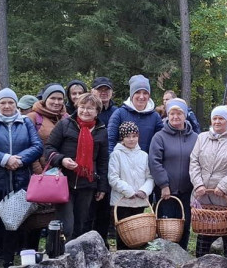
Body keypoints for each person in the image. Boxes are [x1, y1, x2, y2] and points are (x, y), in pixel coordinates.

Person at [0, 89, 43, 268]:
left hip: (19, 181)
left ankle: (7, 262)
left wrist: (20, 159)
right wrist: (5, 159)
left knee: (14, 224)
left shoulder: (25, 122)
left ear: (16, 105)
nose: (7, 106)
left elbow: (37, 146)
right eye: (3, 103)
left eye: (11, 103)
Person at [45, 92, 109, 240]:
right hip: (63, 182)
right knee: (67, 226)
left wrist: (102, 187)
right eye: (82, 107)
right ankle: (57, 254)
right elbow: (48, 148)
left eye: (90, 108)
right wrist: (62, 160)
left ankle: (74, 258)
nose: (85, 111)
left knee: (81, 225)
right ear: (77, 107)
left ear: (97, 112)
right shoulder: (65, 124)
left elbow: (103, 161)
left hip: (87, 184)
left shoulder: (101, 131)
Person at [189, 106, 227, 258]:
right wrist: (198, 184)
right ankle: (199, 265)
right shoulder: (202, 137)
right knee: (204, 232)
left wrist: (223, 186)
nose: (218, 121)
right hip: (203, 194)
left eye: (221, 118)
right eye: (215, 118)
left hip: (226, 195)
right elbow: (194, 161)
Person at [150, 98, 199, 247]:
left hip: (187, 191)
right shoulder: (159, 137)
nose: (175, 117)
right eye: (172, 113)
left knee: (184, 226)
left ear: (185, 115)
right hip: (166, 193)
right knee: (166, 228)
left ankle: (182, 257)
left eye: (179, 113)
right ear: (167, 115)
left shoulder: (195, 138)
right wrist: (164, 185)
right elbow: (154, 162)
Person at [108, 122, 154, 247]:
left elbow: (150, 177)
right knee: (123, 236)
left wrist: (144, 191)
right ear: (122, 138)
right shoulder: (116, 155)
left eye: (134, 136)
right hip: (121, 201)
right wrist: (129, 192)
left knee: (139, 236)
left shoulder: (144, 155)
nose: (131, 139)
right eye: (127, 136)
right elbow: (113, 178)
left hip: (139, 201)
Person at [90, 76, 117, 240]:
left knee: (105, 207)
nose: (104, 93)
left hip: (110, 164)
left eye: (106, 90)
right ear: (93, 91)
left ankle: (102, 241)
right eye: (100, 90)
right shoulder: (87, 110)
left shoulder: (117, 112)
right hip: (90, 165)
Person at [108, 75, 164, 150]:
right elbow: (110, 141)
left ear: (149, 96)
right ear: (132, 95)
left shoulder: (155, 117)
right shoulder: (119, 114)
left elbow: (161, 142)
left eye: (145, 93)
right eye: (137, 92)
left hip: (146, 161)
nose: (141, 96)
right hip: (121, 161)